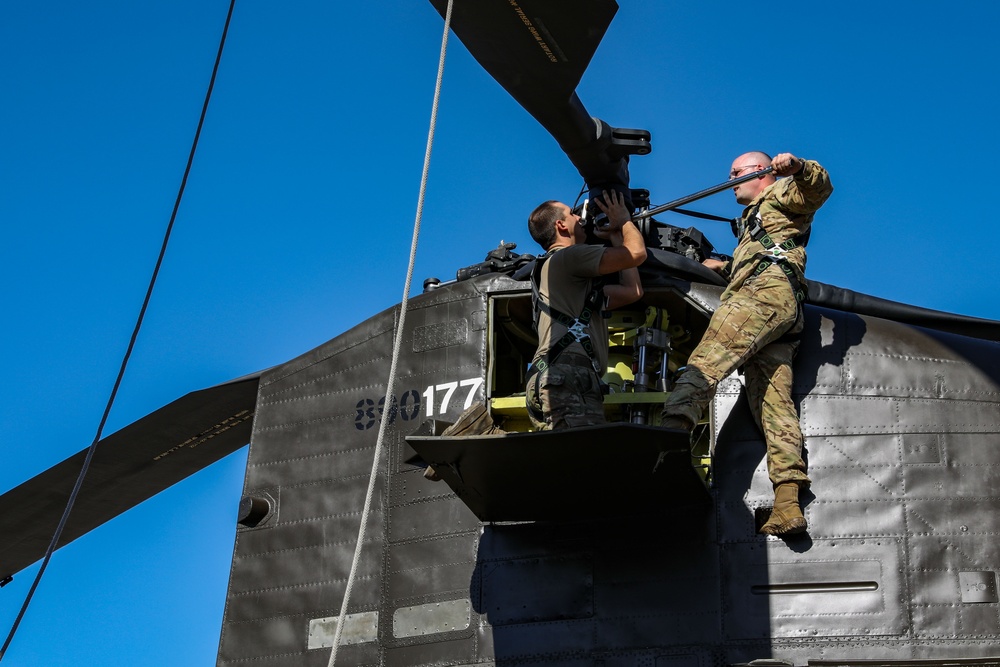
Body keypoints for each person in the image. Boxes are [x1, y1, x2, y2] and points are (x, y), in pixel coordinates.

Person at [661, 151, 833, 536]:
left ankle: (667, 440)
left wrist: (799, 167)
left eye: (736, 172)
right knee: (773, 403)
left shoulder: (781, 192)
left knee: (706, 363)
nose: (730, 178)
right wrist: (722, 267)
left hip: (760, 297)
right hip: (782, 307)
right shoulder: (756, 219)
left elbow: (818, 188)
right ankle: (788, 502)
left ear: (762, 171)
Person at [525, 190, 646, 430]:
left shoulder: (566, 279)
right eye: (572, 214)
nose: (581, 218)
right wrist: (623, 221)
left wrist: (615, 238)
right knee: (582, 457)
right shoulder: (569, 257)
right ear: (560, 225)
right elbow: (637, 254)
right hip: (567, 374)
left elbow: (632, 291)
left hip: (554, 375)